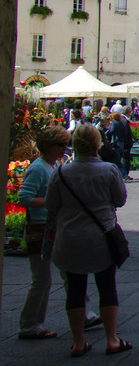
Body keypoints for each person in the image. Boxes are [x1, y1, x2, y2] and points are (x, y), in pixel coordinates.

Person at [44, 124, 130, 357]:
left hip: (70, 238)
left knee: (75, 290)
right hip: (102, 237)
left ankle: (78, 341)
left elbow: (51, 204)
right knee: (107, 287)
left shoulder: (61, 172)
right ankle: (112, 339)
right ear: (97, 144)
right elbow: (120, 199)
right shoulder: (109, 170)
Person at [17, 126, 70, 340]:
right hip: (40, 227)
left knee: (66, 271)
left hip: (51, 226)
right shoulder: (38, 168)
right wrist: (52, 203)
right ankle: (29, 325)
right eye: (61, 144)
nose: (65, 148)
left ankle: (85, 314)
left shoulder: (53, 164)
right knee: (42, 279)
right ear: (48, 146)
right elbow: (24, 198)